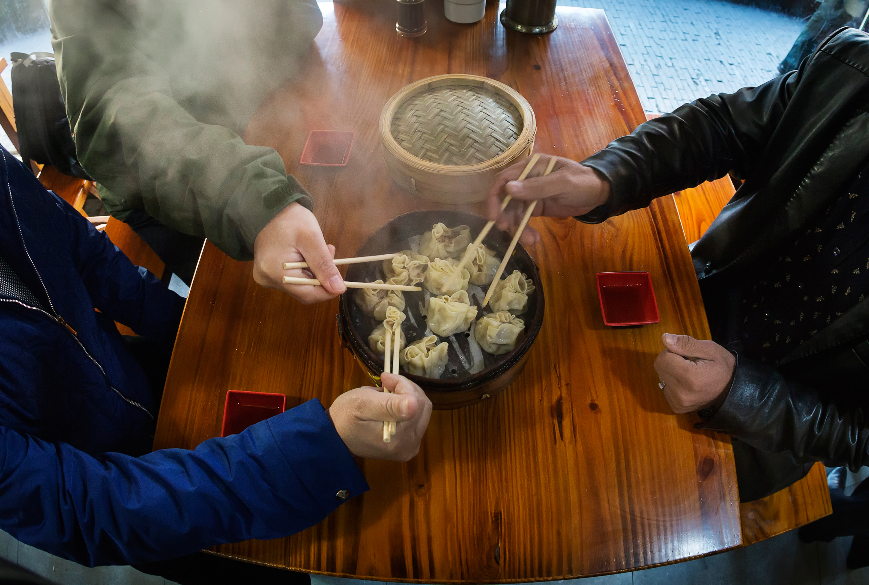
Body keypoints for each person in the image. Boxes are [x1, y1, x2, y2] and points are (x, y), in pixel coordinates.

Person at [487, 27, 869, 567]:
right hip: (691, 293)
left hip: (765, 424)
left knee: (612, 514)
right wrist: (603, 178)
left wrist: (738, 395)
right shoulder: (854, 64)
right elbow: (722, 126)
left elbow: (860, 433)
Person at [0, 144, 432, 573]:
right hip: (145, 512)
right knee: (266, 565)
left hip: (136, 376)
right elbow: (84, 508)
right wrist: (321, 446)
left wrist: (188, 338)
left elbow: (81, 250)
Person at [49, 0, 347, 302]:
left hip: (255, 126)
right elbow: (115, 120)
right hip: (171, 189)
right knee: (262, 313)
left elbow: (301, 16)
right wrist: (257, 200)